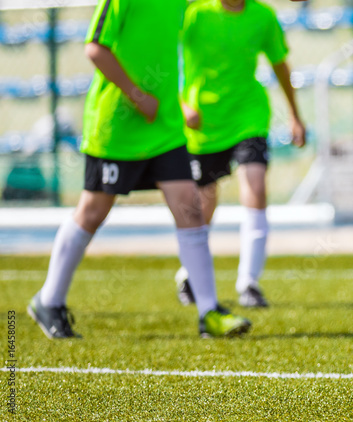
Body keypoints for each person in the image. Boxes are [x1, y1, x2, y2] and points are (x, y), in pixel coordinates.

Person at [27, 0, 251, 339]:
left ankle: (209, 312)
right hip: (119, 128)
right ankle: (49, 300)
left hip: (164, 127)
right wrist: (137, 95)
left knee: (189, 207)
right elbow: (95, 48)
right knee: (92, 212)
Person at [173, 0, 306, 309]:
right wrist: (182, 106)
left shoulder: (263, 16)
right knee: (203, 203)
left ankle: (249, 283)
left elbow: (280, 65)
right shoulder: (194, 14)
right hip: (203, 123)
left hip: (249, 116)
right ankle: (189, 273)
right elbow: (164, 59)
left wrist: (295, 115)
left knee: (255, 185)